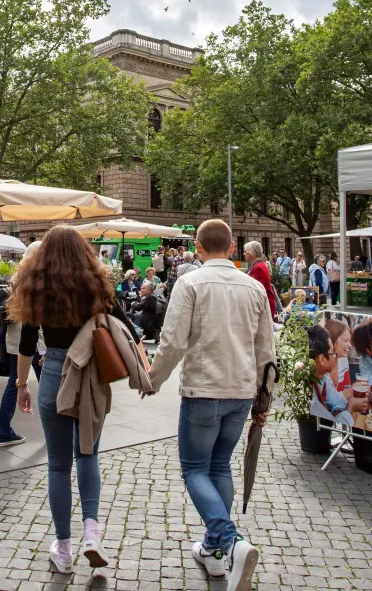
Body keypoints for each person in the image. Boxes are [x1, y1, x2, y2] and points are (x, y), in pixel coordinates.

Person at [10, 226, 144, 574]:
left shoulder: (36, 285)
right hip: (90, 376)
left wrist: (22, 384)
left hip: (53, 372)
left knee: (57, 464)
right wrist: (146, 369)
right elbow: (126, 328)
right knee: (88, 453)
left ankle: (64, 549)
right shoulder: (95, 284)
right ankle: (92, 531)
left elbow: (26, 344)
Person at [148, 219, 272, 590]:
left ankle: (230, 541)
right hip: (241, 392)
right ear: (233, 248)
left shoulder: (190, 283)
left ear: (198, 250)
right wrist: (264, 400)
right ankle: (215, 555)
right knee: (220, 466)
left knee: (195, 469)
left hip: (203, 390)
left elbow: (171, 342)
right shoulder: (254, 288)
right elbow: (267, 350)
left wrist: (152, 380)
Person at [0, 240, 44, 448]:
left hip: (15, 340)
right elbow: (37, 318)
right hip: (33, 341)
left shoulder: (16, 277)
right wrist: (45, 346)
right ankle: (58, 429)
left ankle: (3, 431)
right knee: (50, 385)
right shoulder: (35, 279)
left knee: (14, 384)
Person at [309, 324, 355, 427]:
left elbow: (337, 402)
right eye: (332, 354)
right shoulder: (310, 385)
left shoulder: (324, 377)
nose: (334, 357)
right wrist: (351, 404)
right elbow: (336, 419)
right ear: (321, 359)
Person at [243, 241, 277, 320]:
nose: (244, 253)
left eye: (245, 251)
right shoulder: (259, 265)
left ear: (252, 252)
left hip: (263, 309)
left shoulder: (258, 267)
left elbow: (254, 291)